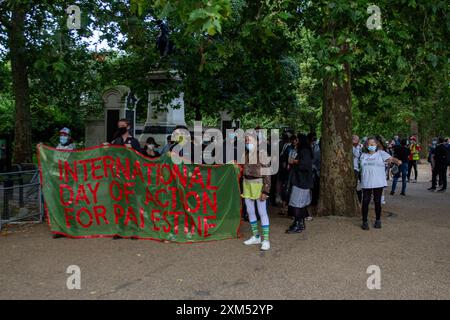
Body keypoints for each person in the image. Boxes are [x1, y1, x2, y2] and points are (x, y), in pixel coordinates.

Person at [360, 137, 402, 230]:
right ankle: (364, 221)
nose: (371, 146)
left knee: (377, 201)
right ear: (366, 146)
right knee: (365, 201)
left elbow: (391, 159)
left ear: (376, 145)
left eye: (373, 144)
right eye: (369, 144)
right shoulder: (363, 155)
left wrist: (397, 161)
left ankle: (378, 220)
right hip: (366, 182)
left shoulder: (381, 154)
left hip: (378, 182)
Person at [241, 133, 271, 251]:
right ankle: (256, 236)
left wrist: (266, 191)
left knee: (262, 212)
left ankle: (266, 240)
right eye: (246, 140)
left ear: (257, 142)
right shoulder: (246, 154)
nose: (248, 142)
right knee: (250, 211)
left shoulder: (263, 154)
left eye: (250, 140)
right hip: (246, 184)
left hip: (259, 185)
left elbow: (267, 173)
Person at [285, 134, 313, 234]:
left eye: (297, 140)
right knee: (299, 204)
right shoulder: (303, 151)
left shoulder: (305, 151)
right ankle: (300, 223)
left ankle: (297, 224)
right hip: (300, 181)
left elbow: (305, 165)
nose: (295, 142)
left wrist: (295, 161)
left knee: (296, 204)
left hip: (302, 182)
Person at [352, 135, 362, 202]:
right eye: (356, 140)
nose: (358, 141)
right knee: (354, 185)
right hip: (354, 168)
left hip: (357, 168)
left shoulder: (357, 147)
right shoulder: (353, 147)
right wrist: (358, 146)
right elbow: (357, 155)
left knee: (358, 185)